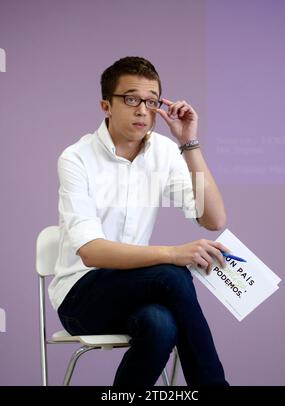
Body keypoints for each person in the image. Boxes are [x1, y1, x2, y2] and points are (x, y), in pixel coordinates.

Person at [49, 56, 229, 386]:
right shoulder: (76, 158)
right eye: (131, 99)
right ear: (106, 105)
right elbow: (91, 252)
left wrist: (188, 142)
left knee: (161, 325)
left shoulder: (162, 151)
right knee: (172, 273)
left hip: (136, 289)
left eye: (151, 101)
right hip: (81, 296)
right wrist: (175, 254)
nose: (143, 110)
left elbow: (214, 219)